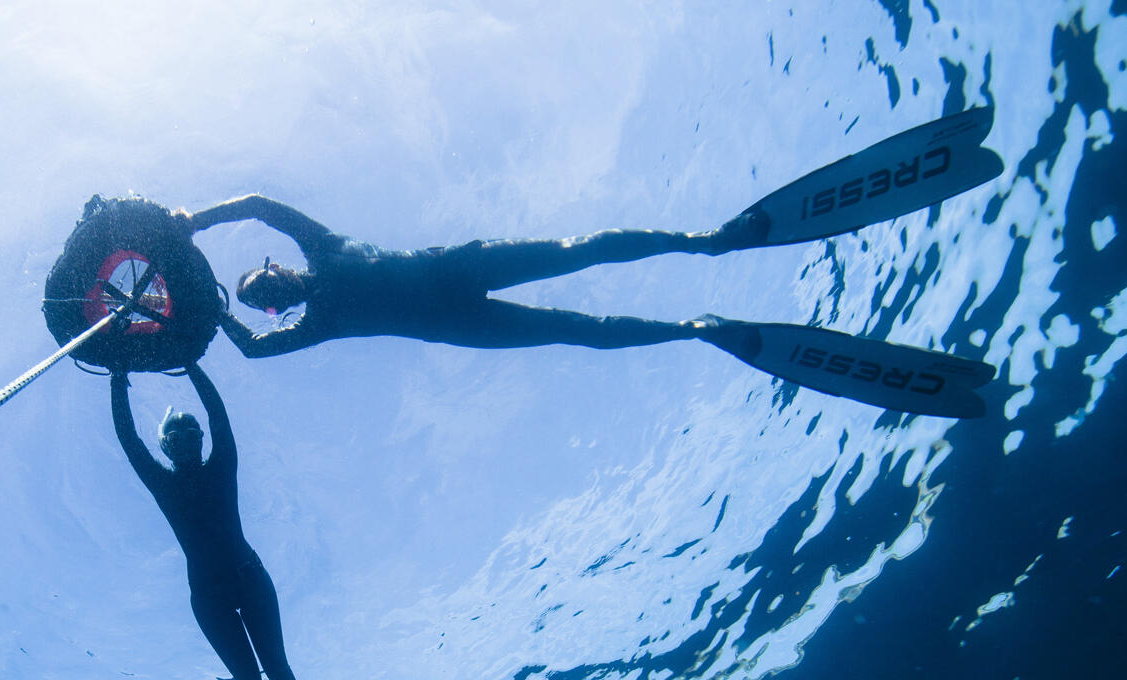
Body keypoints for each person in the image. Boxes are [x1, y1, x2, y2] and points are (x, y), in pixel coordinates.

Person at [182, 194, 764, 358]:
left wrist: (196, 223)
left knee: (576, 249)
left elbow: (259, 203)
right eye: (262, 298)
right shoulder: (319, 321)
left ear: (276, 264)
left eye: (263, 279)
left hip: (461, 264)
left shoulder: (323, 247)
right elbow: (256, 352)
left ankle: (704, 242)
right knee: (576, 329)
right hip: (459, 323)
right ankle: (695, 329)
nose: (271, 287)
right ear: (272, 308)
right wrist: (213, 311)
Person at [109, 363, 297, 680]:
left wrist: (191, 366)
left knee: (278, 669)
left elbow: (218, 418)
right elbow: (129, 439)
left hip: (248, 581)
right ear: (165, 446)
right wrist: (117, 379)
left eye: (190, 434)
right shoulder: (164, 483)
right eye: (175, 437)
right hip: (211, 597)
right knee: (249, 677)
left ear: (200, 439)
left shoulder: (220, 465)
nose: (183, 441)